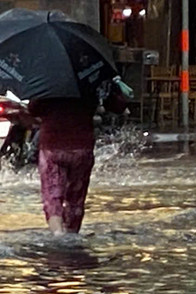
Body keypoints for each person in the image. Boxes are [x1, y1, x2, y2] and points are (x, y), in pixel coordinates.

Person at [29, 80, 129, 234]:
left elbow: (33, 109)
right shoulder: (90, 80)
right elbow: (116, 106)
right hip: (82, 147)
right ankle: (72, 233)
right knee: (76, 198)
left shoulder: (46, 81)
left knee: (52, 195)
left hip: (53, 146)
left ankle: (57, 234)